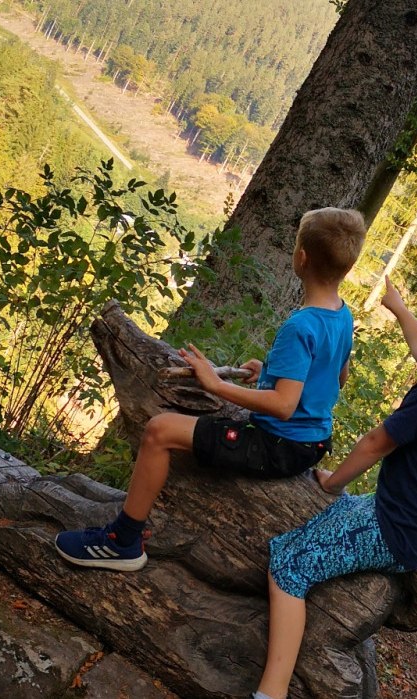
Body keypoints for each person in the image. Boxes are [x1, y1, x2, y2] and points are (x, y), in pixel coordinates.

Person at [54, 207, 367, 571]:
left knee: (160, 430)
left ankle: (123, 541)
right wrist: (270, 374)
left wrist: (215, 383)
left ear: (301, 258)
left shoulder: (300, 326)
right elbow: (335, 378)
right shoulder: (342, 315)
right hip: (311, 443)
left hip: (279, 446)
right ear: (347, 267)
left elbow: (283, 406)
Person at [251, 277, 417, 699]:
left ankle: (270, 693)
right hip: (410, 523)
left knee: (288, 566)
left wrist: (332, 483)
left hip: (393, 530)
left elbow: (374, 444)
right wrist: (399, 309)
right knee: (327, 524)